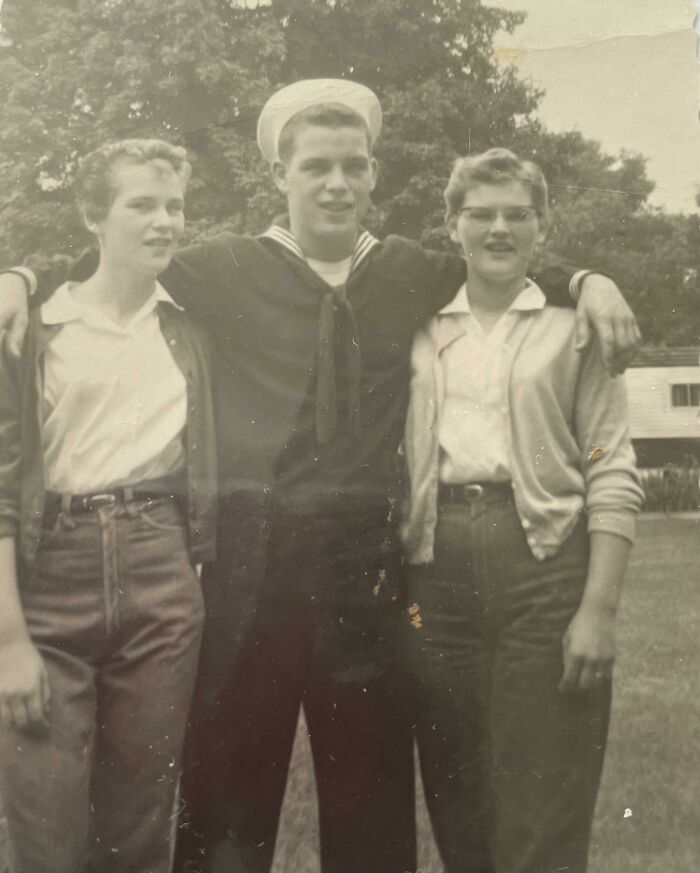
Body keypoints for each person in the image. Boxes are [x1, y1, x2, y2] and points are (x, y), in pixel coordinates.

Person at [0, 81, 640, 873]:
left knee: (368, 807)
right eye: (315, 167)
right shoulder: (223, 268)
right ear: (280, 174)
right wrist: (22, 277)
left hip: (365, 582)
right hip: (248, 577)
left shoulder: (410, 269)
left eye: (354, 166)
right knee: (227, 804)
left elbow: (506, 256)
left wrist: (590, 281)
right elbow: (114, 254)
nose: (337, 183)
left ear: (373, 176)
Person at [401, 148, 644, 873]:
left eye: (518, 215)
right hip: (433, 573)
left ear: (544, 227)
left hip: (544, 564)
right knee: (458, 793)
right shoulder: (417, 324)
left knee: (545, 796)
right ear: (453, 225)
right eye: (481, 214)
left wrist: (598, 610)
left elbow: (612, 469)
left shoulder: (573, 325)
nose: (499, 229)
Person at [0, 139, 217, 873]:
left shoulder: (191, 322)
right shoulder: (34, 329)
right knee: (47, 830)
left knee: (138, 829)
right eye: (142, 205)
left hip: (161, 577)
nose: (165, 221)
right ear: (95, 214)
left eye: (175, 205)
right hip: (48, 581)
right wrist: (8, 643)